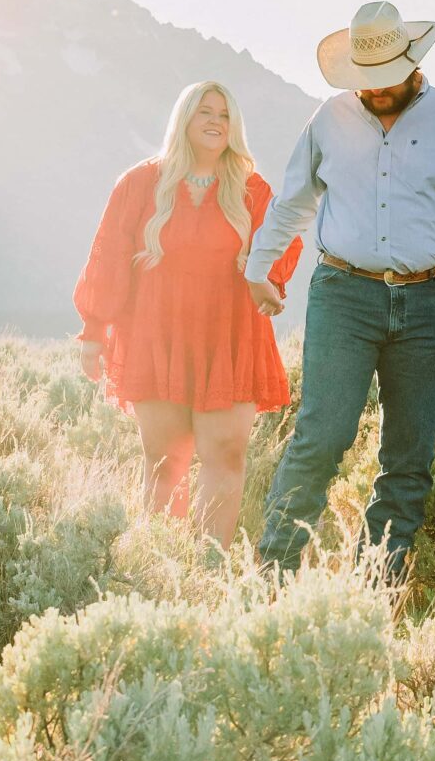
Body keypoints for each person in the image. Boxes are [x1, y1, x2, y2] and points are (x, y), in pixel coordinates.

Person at [246, 0, 435, 577]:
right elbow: (293, 201)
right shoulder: (328, 119)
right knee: (321, 437)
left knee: (409, 457)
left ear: (411, 61)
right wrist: (259, 267)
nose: (373, 90)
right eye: (363, 81)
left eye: (383, 79)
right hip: (344, 295)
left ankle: (376, 590)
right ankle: (270, 575)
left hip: (429, 302)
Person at [75, 80, 304, 548]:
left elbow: (285, 240)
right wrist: (94, 330)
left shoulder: (252, 190)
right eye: (205, 111)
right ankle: (163, 567)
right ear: (184, 118)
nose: (215, 121)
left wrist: (268, 281)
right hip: (157, 333)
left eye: (224, 114)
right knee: (165, 461)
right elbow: (109, 255)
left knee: (227, 454)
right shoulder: (140, 183)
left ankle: (207, 567)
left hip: (231, 334)